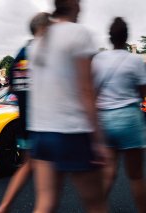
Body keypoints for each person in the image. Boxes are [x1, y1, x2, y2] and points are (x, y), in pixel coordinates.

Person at [27, 0, 107, 212]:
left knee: (45, 203)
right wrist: (98, 141)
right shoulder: (79, 34)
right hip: (73, 131)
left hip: (41, 132)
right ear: (73, 3)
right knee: (95, 204)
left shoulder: (38, 41)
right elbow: (86, 90)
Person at [0, 12, 51, 213]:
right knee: (49, 190)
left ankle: (4, 207)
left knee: (27, 165)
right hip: (43, 123)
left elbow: (12, 88)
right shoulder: (42, 52)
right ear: (44, 29)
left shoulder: (20, 54)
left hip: (24, 122)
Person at [92, 17, 146, 213]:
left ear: (110, 37)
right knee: (136, 176)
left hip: (105, 119)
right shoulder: (134, 60)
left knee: (108, 172)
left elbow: (93, 91)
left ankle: (95, 209)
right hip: (129, 119)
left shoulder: (98, 59)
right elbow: (142, 93)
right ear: (126, 37)